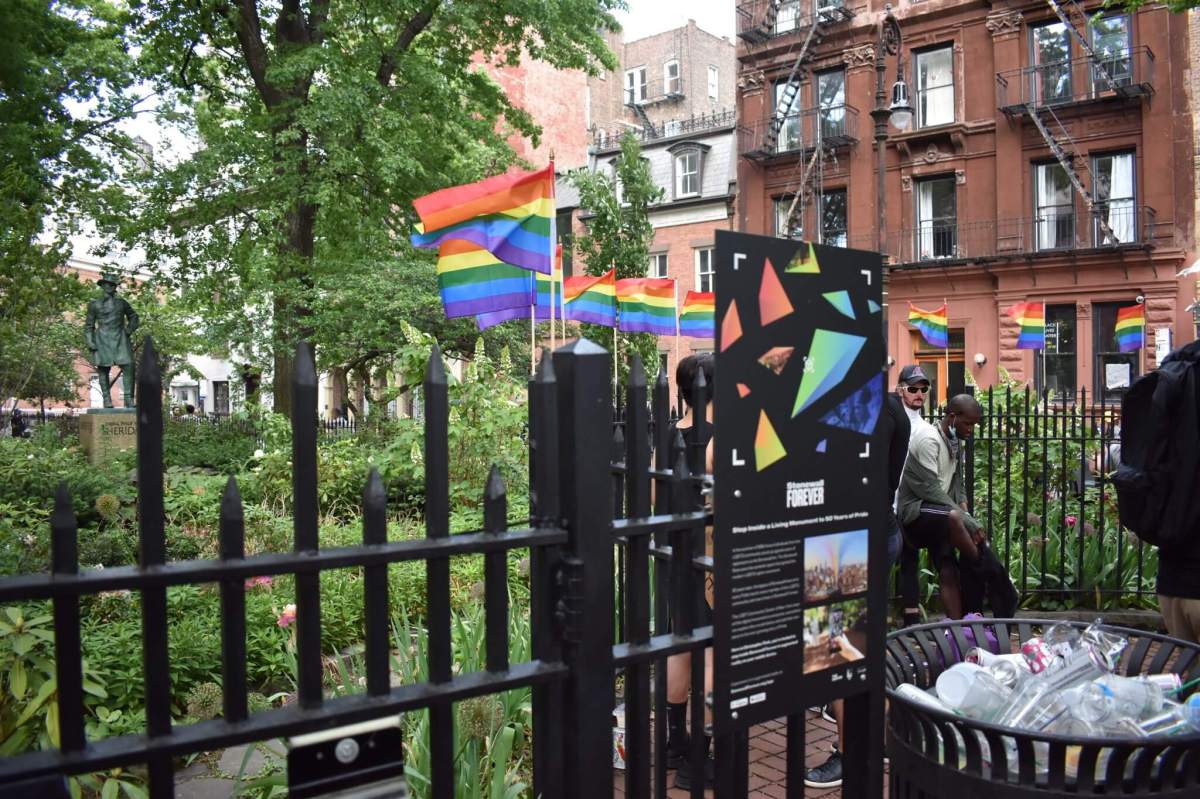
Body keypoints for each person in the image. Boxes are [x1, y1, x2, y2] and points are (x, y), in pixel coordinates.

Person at [804, 384, 910, 789]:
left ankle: (851, 755)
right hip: (875, 531)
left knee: (837, 650)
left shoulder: (855, 409)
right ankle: (870, 740)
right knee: (856, 647)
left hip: (846, 540)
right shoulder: (891, 405)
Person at [664, 353, 714, 790]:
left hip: (672, 554)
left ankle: (671, 742)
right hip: (710, 558)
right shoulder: (722, 440)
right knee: (713, 650)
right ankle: (697, 758)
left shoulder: (665, 436)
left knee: (680, 643)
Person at [897, 394, 986, 621]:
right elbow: (930, 491)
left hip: (937, 512)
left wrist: (966, 510)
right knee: (955, 518)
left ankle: (957, 630)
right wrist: (967, 520)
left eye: (974, 424)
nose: (971, 429)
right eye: (967, 423)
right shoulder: (929, 439)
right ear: (952, 417)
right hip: (915, 513)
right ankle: (983, 564)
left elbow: (957, 481)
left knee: (949, 571)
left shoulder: (954, 440)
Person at [896, 364, 932, 627]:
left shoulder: (925, 427)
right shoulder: (890, 419)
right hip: (887, 499)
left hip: (909, 504)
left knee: (910, 557)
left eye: (923, 388)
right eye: (912, 388)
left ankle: (911, 616)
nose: (919, 393)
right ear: (900, 390)